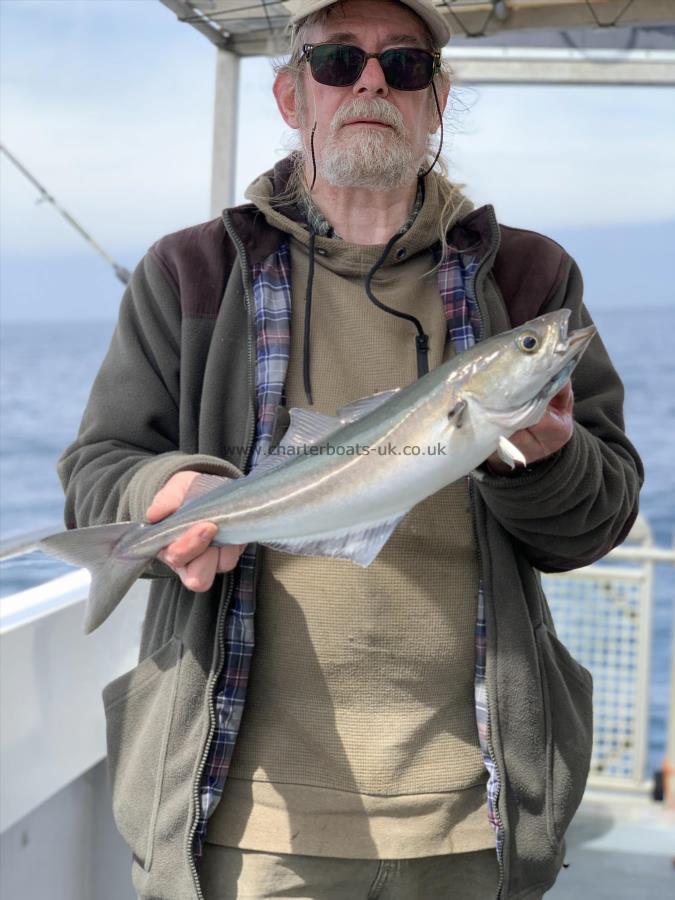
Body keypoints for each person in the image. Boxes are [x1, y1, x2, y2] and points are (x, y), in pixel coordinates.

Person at [58, 1, 643, 897]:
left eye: (404, 66)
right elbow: (96, 471)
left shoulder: (529, 281)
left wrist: (543, 455)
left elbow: (593, 525)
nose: (370, 81)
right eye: (337, 60)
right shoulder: (189, 271)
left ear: (436, 100)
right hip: (242, 823)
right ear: (292, 95)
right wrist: (163, 489)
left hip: (473, 820)